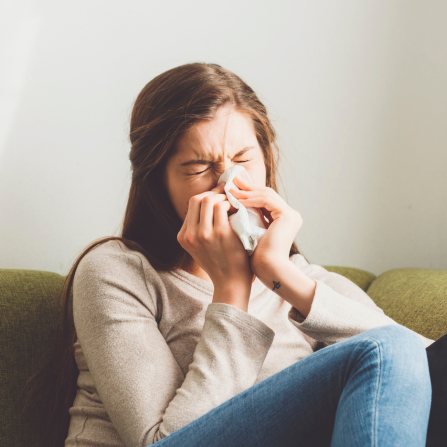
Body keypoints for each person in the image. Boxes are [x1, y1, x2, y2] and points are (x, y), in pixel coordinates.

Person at [21, 62, 435, 447]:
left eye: (242, 159)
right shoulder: (116, 271)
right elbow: (163, 441)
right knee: (384, 348)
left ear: (267, 162)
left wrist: (280, 275)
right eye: (199, 166)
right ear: (156, 181)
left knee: (391, 349)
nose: (228, 183)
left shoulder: (308, 285)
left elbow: (423, 369)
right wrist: (232, 289)